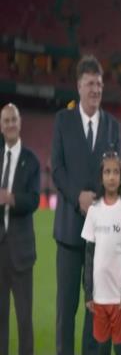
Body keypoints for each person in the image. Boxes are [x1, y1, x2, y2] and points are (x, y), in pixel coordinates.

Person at [52, 55, 121, 355]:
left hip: (101, 236)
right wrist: (76, 196)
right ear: (79, 86)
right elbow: (57, 169)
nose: (96, 89)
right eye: (90, 83)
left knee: (96, 310)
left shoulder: (113, 126)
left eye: (99, 84)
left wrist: (102, 198)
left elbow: (116, 174)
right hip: (69, 233)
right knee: (66, 311)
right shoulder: (62, 121)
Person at [82, 152, 121, 355]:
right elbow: (89, 255)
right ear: (101, 177)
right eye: (107, 172)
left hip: (118, 296)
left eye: (116, 172)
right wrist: (88, 292)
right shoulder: (94, 210)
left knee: (120, 346)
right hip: (99, 295)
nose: (111, 177)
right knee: (102, 347)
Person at [0, 104, 40, 355]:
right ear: (1, 126)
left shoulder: (31, 160)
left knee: (24, 318)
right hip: (0, 251)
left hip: (21, 252)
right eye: (6, 121)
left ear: (20, 122)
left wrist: (11, 198)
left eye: (13, 119)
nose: (10, 124)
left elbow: (34, 200)